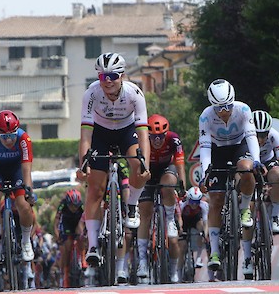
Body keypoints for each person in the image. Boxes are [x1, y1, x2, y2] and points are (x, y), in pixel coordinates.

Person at [75, 52, 151, 271]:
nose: (107, 81)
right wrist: (84, 164)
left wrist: (144, 162)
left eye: (113, 76)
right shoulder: (91, 94)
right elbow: (86, 135)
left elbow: (143, 133)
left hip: (127, 131)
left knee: (139, 166)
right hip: (100, 132)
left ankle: (132, 205)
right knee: (95, 190)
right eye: (102, 76)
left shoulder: (134, 93)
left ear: (122, 76)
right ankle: (92, 246)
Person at [198, 78, 261, 274]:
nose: (224, 111)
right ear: (212, 105)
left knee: (247, 168)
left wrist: (257, 160)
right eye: (219, 107)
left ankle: (244, 209)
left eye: (227, 106)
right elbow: (205, 147)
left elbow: (251, 136)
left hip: (238, 146)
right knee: (216, 200)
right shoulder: (206, 117)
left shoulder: (243, 110)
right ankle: (215, 252)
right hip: (217, 150)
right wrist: (206, 172)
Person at [0, 110, 35, 264]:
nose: (9, 140)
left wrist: (28, 190)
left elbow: (26, 170)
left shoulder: (24, 139)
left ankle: (26, 241)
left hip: (17, 171)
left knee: (23, 204)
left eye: (12, 136)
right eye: (4, 137)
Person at [133, 114, 186, 283]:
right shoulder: (140, 140)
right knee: (145, 215)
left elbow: (179, 163)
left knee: (169, 183)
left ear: (166, 134)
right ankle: (142, 260)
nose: (157, 140)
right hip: (147, 172)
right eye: (154, 137)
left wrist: (183, 185)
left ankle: (170, 220)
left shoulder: (174, 140)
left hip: (165, 170)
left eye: (161, 136)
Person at [251, 110, 279, 234]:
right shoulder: (244, 135)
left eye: (264, 135)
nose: (260, 139)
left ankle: (276, 216)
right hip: (249, 160)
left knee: (277, 177)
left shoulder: (275, 135)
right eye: (257, 135)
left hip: (268, 160)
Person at [53, 189, 85, 288]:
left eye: (76, 206)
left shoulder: (81, 206)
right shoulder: (62, 205)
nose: (74, 208)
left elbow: (85, 219)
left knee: (81, 235)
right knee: (67, 245)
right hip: (66, 224)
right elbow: (57, 220)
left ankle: (83, 258)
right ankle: (66, 271)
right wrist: (57, 233)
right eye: (72, 205)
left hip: (77, 222)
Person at [179, 187, 209, 271]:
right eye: (192, 202)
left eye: (197, 202)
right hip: (184, 220)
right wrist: (180, 230)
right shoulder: (182, 204)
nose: (194, 205)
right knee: (182, 245)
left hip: (196, 219)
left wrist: (204, 234)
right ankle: (179, 272)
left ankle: (199, 258)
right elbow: (178, 218)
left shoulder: (204, 205)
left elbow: (206, 222)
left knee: (202, 229)